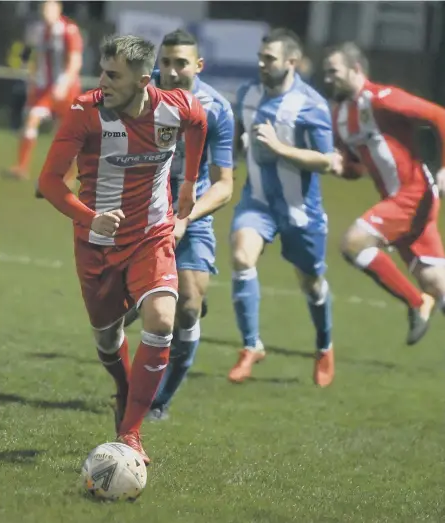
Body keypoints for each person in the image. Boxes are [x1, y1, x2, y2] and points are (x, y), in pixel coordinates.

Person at [37, 35, 207, 463]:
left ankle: (130, 433)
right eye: (102, 71)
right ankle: (123, 389)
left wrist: (187, 183)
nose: (103, 81)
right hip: (97, 244)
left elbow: (200, 123)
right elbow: (49, 182)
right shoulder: (85, 110)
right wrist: (88, 217)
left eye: (113, 75)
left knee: (162, 319)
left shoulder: (176, 107)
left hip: (152, 234)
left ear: (143, 80)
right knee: (108, 339)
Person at [124, 29, 235, 420]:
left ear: (198, 66)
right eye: (165, 63)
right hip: (139, 214)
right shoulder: (138, 98)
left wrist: (184, 217)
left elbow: (224, 185)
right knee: (117, 314)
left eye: (181, 63)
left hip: (192, 215)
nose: (170, 71)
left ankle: (159, 401)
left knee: (188, 307)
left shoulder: (217, 108)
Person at [227, 28, 342, 387]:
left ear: (291, 62)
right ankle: (251, 346)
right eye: (261, 57)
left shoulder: (311, 104)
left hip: (300, 210)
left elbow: (326, 162)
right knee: (242, 258)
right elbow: (235, 138)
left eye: (270, 59)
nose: (262, 64)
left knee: (311, 283)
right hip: (257, 200)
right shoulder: (247, 93)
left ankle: (324, 346)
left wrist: (281, 149)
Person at [323, 42, 445, 343]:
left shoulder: (382, 99)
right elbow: (358, 168)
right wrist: (343, 168)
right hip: (396, 202)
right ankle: (425, 299)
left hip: (413, 194)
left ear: (356, 69)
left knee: (353, 243)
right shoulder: (339, 114)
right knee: (436, 283)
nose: (328, 78)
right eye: (326, 73)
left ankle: (417, 304)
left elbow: (440, 116)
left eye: (334, 71)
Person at [3, 0, 83, 189]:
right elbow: (31, 56)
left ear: (58, 10)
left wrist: (63, 84)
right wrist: (32, 77)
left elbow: (75, 61)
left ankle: (69, 176)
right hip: (44, 88)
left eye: (49, 8)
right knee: (31, 119)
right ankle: (21, 168)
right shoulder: (37, 30)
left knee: (66, 134)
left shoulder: (68, 30)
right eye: (43, 9)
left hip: (67, 88)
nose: (46, 12)